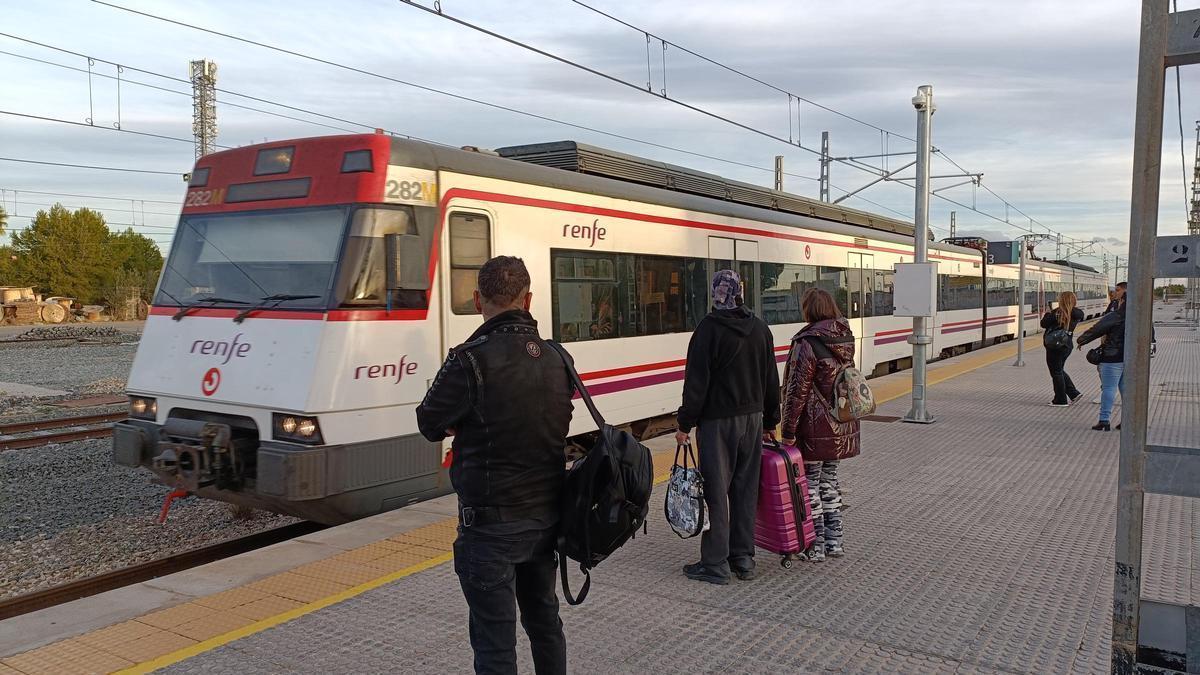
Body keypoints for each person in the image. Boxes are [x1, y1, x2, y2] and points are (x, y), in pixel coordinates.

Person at [416, 256, 572, 675]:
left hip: (489, 530)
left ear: (477, 300)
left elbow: (429, 422)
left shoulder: (468, 360)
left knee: (495, 645)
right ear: (528, 299)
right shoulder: (557, 357)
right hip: (545, 522)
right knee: (545, 625)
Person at [675, 269, 780, 584]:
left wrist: (685, 423)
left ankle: (716, 563)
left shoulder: (708, 330)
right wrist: (771, 421)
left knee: (717, 491)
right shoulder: (760, 329)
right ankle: (743, 559)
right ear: (740, 292)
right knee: (745, 490)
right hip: (752, 420)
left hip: (718, 423)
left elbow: (696, 383)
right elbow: (771, 380)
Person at [780, 288, 860, 561]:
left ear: (809, 310)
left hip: (813, 428)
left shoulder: (807, 342)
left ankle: (814, 546)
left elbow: (796, 390)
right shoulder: (845, 337)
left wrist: (788, 431)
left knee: (810, 484)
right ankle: (834, 543)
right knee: (830, 482)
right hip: (840, 424)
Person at [1077, 288, 1126, 432]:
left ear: (1122, 301)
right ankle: (1127, 421)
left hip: (1112, 357)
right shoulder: (1142, 316)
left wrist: (1082, 340)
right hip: (1131, 358)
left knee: (1109, 388)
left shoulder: (1116, 315)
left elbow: (1097, 328)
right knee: (1126, 390)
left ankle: (1104, 421)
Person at [1041, 291, 1084, 407]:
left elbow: (1043, 324)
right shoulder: (1078, 313)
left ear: (1061, 300)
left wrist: (1047, 313)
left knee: (1056, 372)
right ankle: (1073, 393)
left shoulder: (1056, 313)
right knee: (1059, 370)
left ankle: (1060, 399)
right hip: (1067, 345)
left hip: (1054, 346)